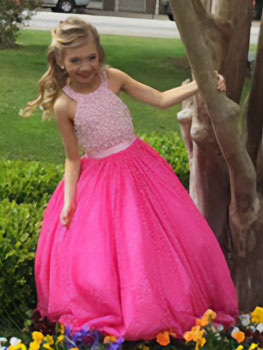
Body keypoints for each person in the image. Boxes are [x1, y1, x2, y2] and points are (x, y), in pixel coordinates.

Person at [23, 17, 238, 341]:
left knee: (154, 240)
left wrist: (203, 82)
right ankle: (127, 311)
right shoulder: (65, 105)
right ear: (60, 61)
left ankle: (169, 302)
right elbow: (71, 157)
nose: (85, 66)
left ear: (100, 54)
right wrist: (69, 201)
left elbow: (162, 99)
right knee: (110, 250)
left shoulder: (114, 79)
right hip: (100, 181)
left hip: (139, 167)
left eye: (91, 57)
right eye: (76, 60)